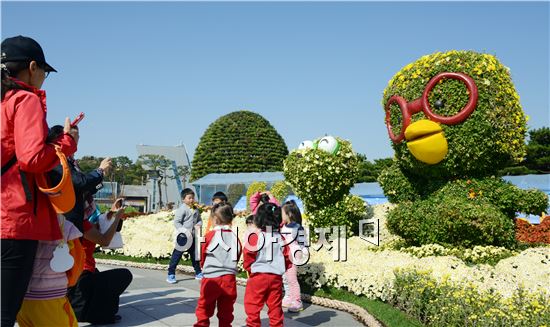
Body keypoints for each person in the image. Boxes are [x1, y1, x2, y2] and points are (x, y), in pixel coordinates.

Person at [1, 35, 78, 327]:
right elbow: (31, 158)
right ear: (32, 67)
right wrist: (66, 143)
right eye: (44, 72)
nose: (44, 78)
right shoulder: (25, 99)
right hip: (15, 221)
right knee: (5, 313)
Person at [67, 199, 133, 325]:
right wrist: (117, 217)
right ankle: (93, 313)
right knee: (123, 276)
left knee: (100, 279)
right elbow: (104, 240)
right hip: (81, 273)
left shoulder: (79, 221)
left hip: (82, 271)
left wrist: (112, 213)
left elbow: (101, 225)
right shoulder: (82, 224)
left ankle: (89, 309)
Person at [16, 216, 84, 327]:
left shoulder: (19, 222)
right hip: (51, 297)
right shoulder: (65, 227)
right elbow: (77, 262)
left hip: (22, 298)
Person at [47, 125, 112, 232]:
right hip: (65, 219)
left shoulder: (71, 161)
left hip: (73, 219)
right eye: (73, 139)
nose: (75, 144)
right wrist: (99, 171)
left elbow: (85, 188)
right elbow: (80, 182)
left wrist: (101, 175)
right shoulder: (57, 159)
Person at [243, 202, 292, 327]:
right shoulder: (281, 238)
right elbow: (287, 257)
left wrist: (249, 268)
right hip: (275, 278)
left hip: (258, 276)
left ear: (258, 219)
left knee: (253, 305)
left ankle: (253, 325)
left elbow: (248, 254)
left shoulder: (255, 236)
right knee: (275, 306)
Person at [194, 202, 241, 327]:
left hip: (211, 277)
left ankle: (202, 324)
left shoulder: (209, 236)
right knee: (226, 309)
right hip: (229, 278)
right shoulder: (234, 237)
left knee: (205, 307)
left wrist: (203, 267)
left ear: (215, 219)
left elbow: (201, 254)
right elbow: (238, 253)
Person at [167, 188, 203, 283]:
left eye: (193, 198)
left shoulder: (195, 209)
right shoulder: (182, 209)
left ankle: (198, 272)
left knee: (195, 255)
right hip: (183, 237)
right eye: (189, 198)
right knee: (177, 255)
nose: (191, 200)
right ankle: (171, 274)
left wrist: (199, 224)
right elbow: (177, 222)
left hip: (193, 236)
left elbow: (199, 219)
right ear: (183, 199)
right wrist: (184, 231)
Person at [281, 200, 306, 312]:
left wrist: (302, 254)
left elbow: (303, 243)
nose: (281, 215)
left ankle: (297, 301)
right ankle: (289, 297)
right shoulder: (284, 226)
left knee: (292, 279)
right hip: (284, 256)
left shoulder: (297, 227)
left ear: (289, 214)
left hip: (293, 257)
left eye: (282, 213)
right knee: (285, 278)